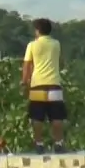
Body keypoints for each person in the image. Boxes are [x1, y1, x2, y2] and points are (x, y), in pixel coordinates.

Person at [23, 17, 66, 154]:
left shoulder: (32, 45)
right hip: (54, 83)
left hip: (37, 85)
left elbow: (27, 65)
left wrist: (25, 81)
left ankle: (39, 143)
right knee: (57, 117)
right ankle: (59, 143)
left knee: (37, 117)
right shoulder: (56, 44)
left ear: (37, 31)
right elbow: (61, 61)